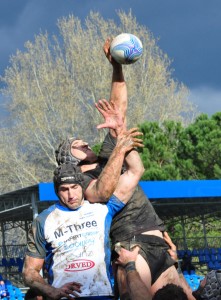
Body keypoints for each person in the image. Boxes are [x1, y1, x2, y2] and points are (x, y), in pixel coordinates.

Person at [55, 39, 194, 299]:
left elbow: (118, 109)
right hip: (129, 244)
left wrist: (117, 67)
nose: (83, 141)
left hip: (157, 240)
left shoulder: (111, 153)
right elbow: (102, 193)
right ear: (68, 159)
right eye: (76, 145)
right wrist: (121, 146)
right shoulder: (78, 182)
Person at [22, 126, 144, 299]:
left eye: (74, 187)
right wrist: (53, 291)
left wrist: (121, 146)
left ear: (83, 186)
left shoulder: (101, 209)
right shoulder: (43, 220)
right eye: (64, 189)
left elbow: (135, 171)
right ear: (57, 192)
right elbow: (29, 272)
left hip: (102, 294)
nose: (71, 195)